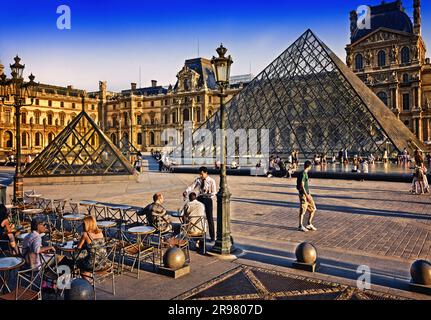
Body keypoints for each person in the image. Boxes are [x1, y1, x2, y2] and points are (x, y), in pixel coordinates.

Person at [183, 166, 217, 242]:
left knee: (209, 218)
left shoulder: (211, 181)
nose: (201, 176)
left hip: (208, 199)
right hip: (200, 198)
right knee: (198, 216)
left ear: (206, 173)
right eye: (200, 174)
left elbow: (214, 193)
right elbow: (192, 186)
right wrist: (186, 191)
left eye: (202, 174)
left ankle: (212, 237)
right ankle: (198, 234)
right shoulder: (198, 180)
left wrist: (208, 194)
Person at [296, 161, 317, 232]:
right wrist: (306, 195)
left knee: (313, 208)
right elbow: (302, 186)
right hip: (303, 195)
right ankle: (300, 226)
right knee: (303, 210)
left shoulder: (304, 173)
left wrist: (309, 194)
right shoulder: (303, 174)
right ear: (309, 166)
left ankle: (309, 223)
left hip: (307, 194)